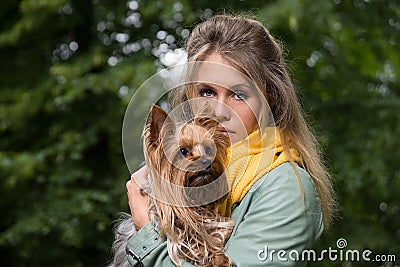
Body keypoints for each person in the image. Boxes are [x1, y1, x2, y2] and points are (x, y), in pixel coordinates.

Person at [125, 14, 335, 266]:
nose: (219, 110)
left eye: (238, 94)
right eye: (207, 92)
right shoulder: (176, 176)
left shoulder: (286, 188)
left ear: (270, 99)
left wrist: (147, 233)